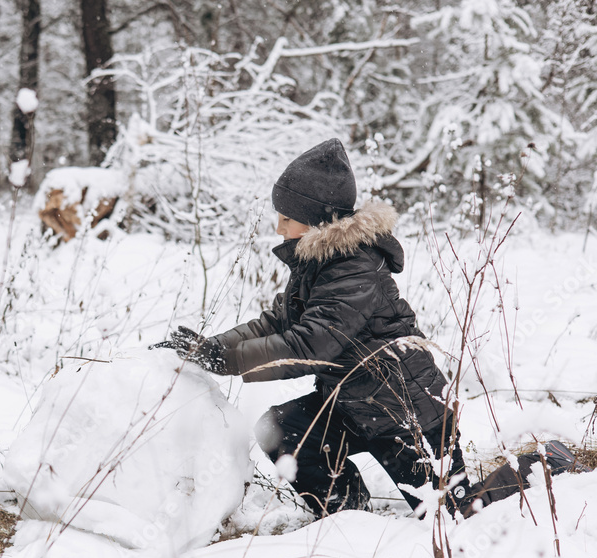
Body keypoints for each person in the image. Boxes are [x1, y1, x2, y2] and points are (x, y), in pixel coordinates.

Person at [154, 138, 472, 518]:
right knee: (283, 428)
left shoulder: (355, 268)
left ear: (317, 219)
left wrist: (225, 359)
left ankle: (543, 465)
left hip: (404, 419)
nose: (278, 228)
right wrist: (209, 347)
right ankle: (346, 517)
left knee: (455, 516)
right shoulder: (319, 263)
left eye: (287, 218)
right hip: (351, 407)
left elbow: (310, 345)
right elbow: (276, 322)